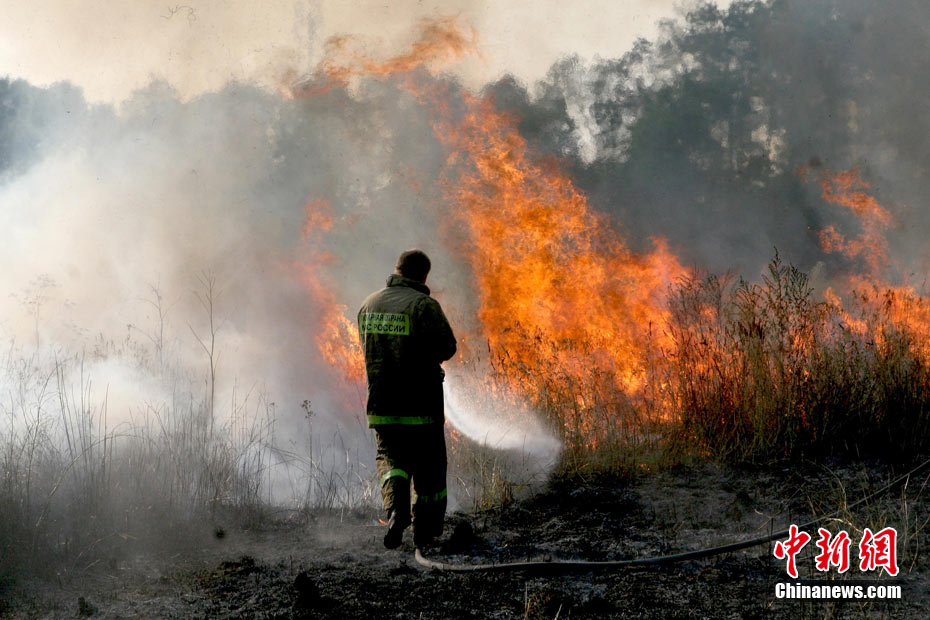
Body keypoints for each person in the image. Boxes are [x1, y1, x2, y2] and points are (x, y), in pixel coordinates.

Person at [357, 249, 457, 549]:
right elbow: (447, 348)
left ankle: (396, 512)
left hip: (382, 404)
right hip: (421, 404)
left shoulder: (369, 304)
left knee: (391, 459)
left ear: (397, 270)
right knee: (429, 466)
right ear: (424, 275)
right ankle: (424, 531)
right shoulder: (423, 305)